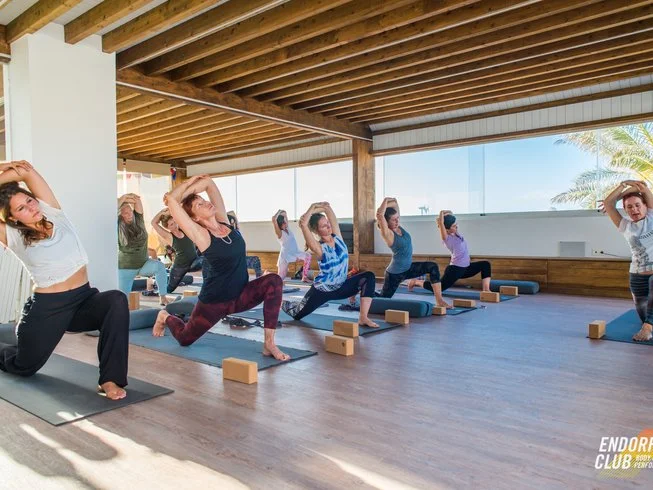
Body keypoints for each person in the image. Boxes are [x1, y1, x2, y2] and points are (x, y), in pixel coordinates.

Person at [0, 161, 128, 400]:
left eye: (29, 200)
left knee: (116, 301)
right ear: (13, 218)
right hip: (48, 309)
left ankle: (110, 379)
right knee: (23, 367)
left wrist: (9, 167)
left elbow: (26, 171)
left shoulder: (53, 213)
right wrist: (5, 168)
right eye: (21, 208)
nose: (31, 207)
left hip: (84, 298)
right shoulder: (12, 235)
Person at [151, 175, 289, 360]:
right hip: (214, 303)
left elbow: (209, 183)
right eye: (199, 205)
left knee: (274, 281)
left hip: (241, 295)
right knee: (184, 339)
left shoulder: (224, 221)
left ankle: (269, 344)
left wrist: (192, 189)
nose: (206, 203)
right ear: (195, 218)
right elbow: (171, 200)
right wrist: (187, 185)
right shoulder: (201, 235)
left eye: (204, 200)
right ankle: (164, 316)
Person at [282, 202, 379, 327]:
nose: (328, 226)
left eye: (327, 223)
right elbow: (303, 224)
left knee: (369, 276)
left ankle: (363, 318)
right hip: (322, 290)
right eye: (324, 226)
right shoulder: (319, 248)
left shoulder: (337, 237)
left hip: (342, 286)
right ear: (317, 231)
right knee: (297, 314)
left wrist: (319, 207)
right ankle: (281, 303)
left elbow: (328, 208)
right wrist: (312, 207)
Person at [376, 198, 450, 308]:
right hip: (394, 274)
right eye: (394, 220)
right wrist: (386, 200)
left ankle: (439, 301)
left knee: (432, 266)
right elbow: (380, 215)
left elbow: (395, 203)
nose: (397, 221)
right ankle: (363, 293)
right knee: (382, 300)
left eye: (398, 218)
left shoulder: (398, 226)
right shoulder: (388, 234)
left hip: (408, 269)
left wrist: (393, 201)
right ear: (386, 222)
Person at [603, 180, 653, 341]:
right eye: (629, 207)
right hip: (637, 275)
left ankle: (648, 328)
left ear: (645, 205)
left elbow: (643, 188)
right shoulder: (625, 225)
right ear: (625, 210)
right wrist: (622, 185)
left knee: (649, 322)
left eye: (637, 205)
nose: (634, 209)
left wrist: (631, 187)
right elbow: (609, 203)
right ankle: (647, 324)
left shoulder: (652, 216)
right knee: (644, 316)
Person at [408, 210, 492, 294]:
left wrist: (448, 213)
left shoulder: (456, 234)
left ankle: (486, 290)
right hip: (455, 269)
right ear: (447, 229)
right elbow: (441, 224)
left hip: (466, 268)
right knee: (439, 289)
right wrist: (441, 213)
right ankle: (416, 282)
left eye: (456, 224)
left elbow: (450, 216)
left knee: (485, 264)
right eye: (453, 226)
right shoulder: (447, 239)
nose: (456, 226)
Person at [117, 193, 169, 305]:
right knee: (122, 300)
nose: (129, 214)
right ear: (120, 215)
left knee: (160, 267)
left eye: (130, 211)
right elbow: (112, 209)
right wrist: (123, 199)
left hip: (143, 264)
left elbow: (137, 200)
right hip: (125, 268)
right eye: (125, 213)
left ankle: (163, 297)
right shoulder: (117, 223)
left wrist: (131, 198)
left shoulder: (138, 220)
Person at [151, 208, 207, 293]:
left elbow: (183, 213)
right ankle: (154, 283)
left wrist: (171, 210)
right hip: (179, 267)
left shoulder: (184, 229)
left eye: (174, 222)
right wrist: (161, 213)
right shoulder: (168, 236)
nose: (175, 225)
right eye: (171, 224)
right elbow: (153, 223)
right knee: (168, 290)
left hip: (194, 262)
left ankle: (207, 286)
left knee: (206, 259)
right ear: (167, 227)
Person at [272, 209, 312, 282]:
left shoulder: (288, 228)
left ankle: (304, 277)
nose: (286, 223)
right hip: (285, 256)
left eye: (285, 221)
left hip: (295, 252)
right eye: (284, 222)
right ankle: (267, 276)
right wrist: (278, 211)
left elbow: (285, 213)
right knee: (280, 278)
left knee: (308, 256)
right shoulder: (279, 233)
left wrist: (282, 213)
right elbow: (274, 219)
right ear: (280, 224)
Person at [226, 211, 266, 278]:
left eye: (234, 221)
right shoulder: (226, 233)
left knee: (256, 260)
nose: (233, 223)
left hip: (241, 259)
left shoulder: (237, 232)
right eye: (231, 221)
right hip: (232, 261)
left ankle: (259, 279)